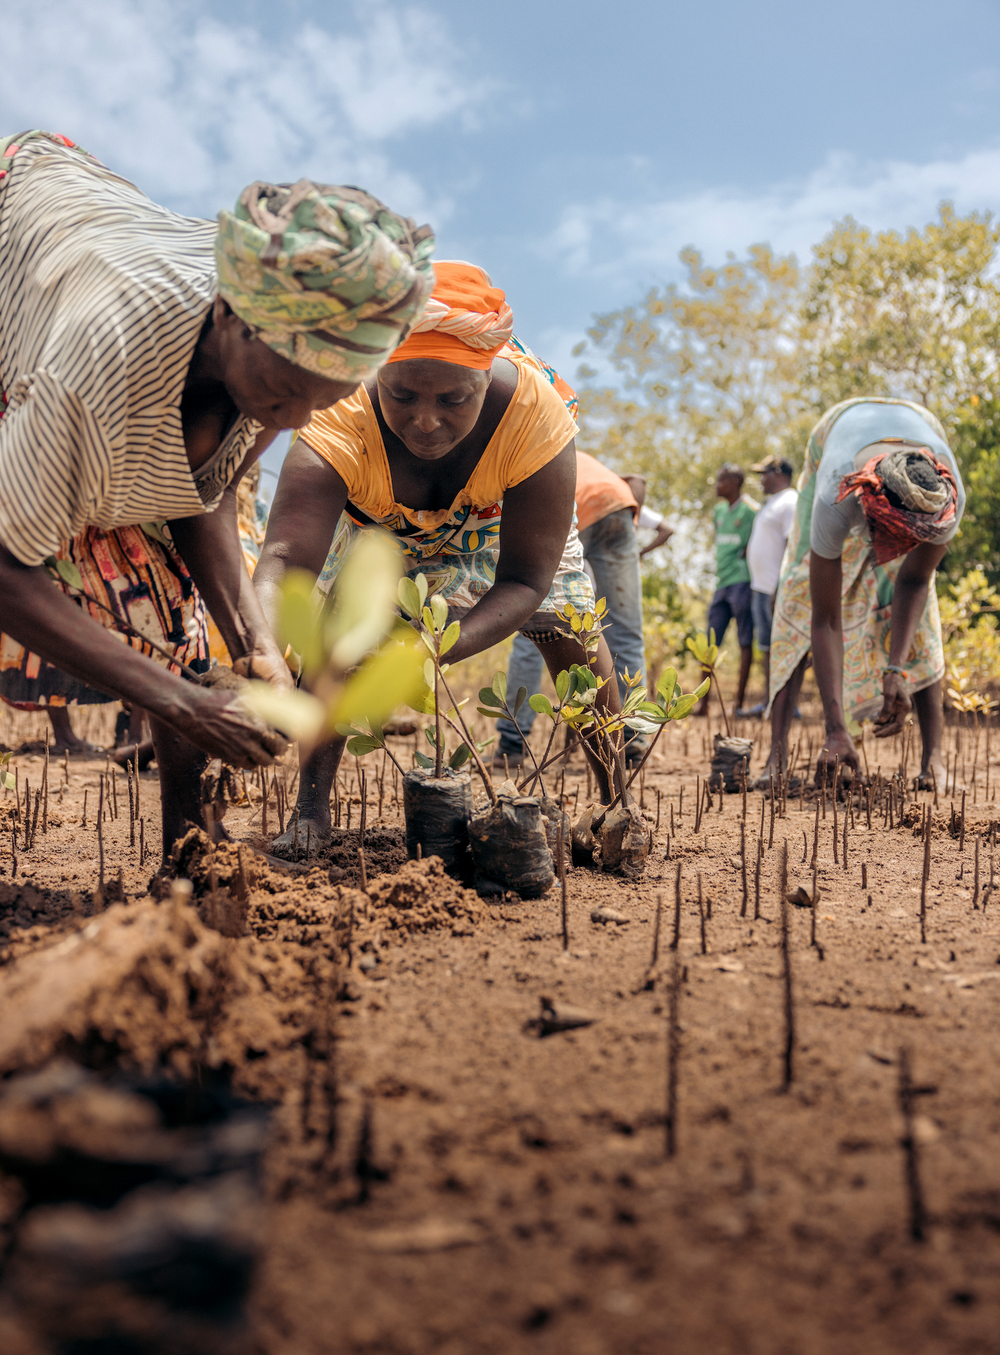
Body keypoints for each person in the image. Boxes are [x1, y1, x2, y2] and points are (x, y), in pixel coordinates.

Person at [0, 129, 435, 849]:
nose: (291, 419)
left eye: (320, 401)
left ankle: (189, 846)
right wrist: (180, 702)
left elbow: (197, 494)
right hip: (21, 236)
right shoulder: (90, 373)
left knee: (186, 628)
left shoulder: (285, 333)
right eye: (281, 391)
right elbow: (7, 569)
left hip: (90, 228)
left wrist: (253, 641)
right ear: (229, 318)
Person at [255, 262, 622, 855]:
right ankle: (310, 813)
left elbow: (528, 580)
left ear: (486, 376)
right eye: (401, 395)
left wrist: (441, 643)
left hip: (496, 521)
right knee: (335, 639)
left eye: (454, 399)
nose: (426, 422)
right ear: (378, 374)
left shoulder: (535, 412)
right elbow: (284, 559)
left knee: (573, 626)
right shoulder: (340, 411)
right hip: (378, 528)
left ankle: (614, 802)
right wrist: (264, 647)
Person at [761, 397, 965, 791]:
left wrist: (896, 669)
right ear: (871, 509)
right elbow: (825, 618)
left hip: (919, 422)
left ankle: (933, 759)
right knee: (798, 593)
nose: (901, 549)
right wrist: (837, 728)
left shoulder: (945, 504)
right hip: (836, 429)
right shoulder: (834, 500)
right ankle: (776, 754)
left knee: (923, 609)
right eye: (895, 538)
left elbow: (914, 582)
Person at [495, 454, 673, 767]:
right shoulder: (598, 470)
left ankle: (512, 744)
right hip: (618, 508)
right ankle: (632, 740)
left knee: (531, 629)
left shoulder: (530, 448)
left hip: (568, 508)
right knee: (626, 631)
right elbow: (637, 484)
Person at [696, 463, 756, 716]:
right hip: (721, 583)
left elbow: (752, 546)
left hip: (742, 582)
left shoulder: (751, 511)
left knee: (745, 641)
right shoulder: (719, 511)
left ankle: (739, 705)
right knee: (710, 642)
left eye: (721, 480)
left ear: (734, 482)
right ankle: (703, 703)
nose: (717, 485)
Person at [742, 454, 797, 715]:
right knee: (767, 647)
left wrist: (781, 587)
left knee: (782, 647)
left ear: (778, 474)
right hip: (761, 588)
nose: (760, 479)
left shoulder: (789, 501)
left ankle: (786, 705)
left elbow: (791, 547)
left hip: (776, 589)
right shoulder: (771, 503)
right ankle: (770, 702)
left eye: (764, 474)